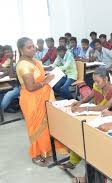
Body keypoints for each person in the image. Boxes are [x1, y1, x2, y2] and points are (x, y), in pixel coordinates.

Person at [61, 67, 112, 175]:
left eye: (97, 81)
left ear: (105, 79)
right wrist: (79, 102)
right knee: (81, 132)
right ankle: (73, 160)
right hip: (99, 116)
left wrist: (84, 109)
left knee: (89, 136)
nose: (95, 83)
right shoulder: (96, 86)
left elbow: (105, 107)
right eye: (94, 81)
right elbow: (89, 96)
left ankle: (96, 168)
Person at [16, 37, 67, 167]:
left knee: (47, 125)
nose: (33, 49)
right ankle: (36, 154)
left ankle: (47, 150)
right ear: (21, 50)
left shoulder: (33, 61)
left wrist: (47, 76)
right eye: (29, 47)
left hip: (42, 97)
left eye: (33, 46)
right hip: (32, 100)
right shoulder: (23, 65)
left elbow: (37, 77)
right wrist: (46, 80)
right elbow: (31, 87)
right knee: (36, 127)